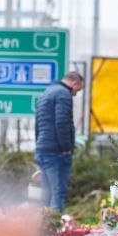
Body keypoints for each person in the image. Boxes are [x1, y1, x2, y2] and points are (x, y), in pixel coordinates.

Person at [34, 71, 84, 212]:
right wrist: (66, 147)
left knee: (46, 193)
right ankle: (53, 228)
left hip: (43, 150)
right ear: (74, 84)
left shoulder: (46, 93)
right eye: (77, 90)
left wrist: (38, 149)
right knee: (58, 193)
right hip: (57, 152)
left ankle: (43, 228)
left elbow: (38, 125)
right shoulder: (63, 94)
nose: (75, 94)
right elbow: (62, 122)